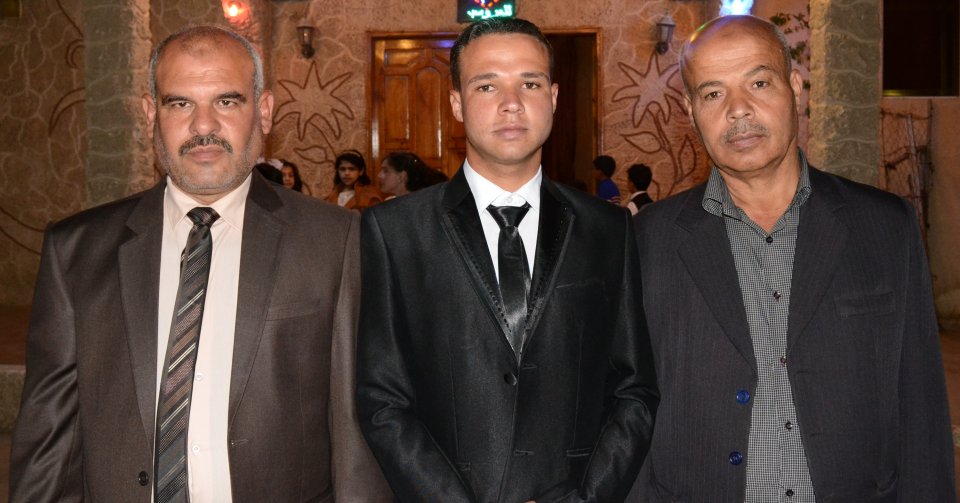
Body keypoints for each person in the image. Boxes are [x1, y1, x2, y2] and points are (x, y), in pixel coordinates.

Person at [9, 25, 390, 502]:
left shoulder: (336, 240)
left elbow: (357, 432)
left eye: (227, 101)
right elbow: (48, 439)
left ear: (264, 111)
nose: (203, 126)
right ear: (151, 113)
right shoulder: (77, 251)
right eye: (180, 103)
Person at [631, 15, 955, 502]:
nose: (738, 109)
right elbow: (629, 409)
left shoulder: (884, 227)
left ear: (796, 88)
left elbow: (920, 402)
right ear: (691, 111)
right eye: (713, 93)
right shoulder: (646, 241)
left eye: (759, 83)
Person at [357, 17, 658, 502]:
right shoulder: (395, 231)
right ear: (457, 103)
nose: (511, 103)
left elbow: (633, 389)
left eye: (530, 83)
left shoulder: (608, 228)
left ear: (553, 98)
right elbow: (382, 398)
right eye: (487, 85)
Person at [378, 150, 447, 199]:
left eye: (386, 171)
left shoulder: (422, 203)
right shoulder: (389, 202)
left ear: (402, 176)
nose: (379, 175)